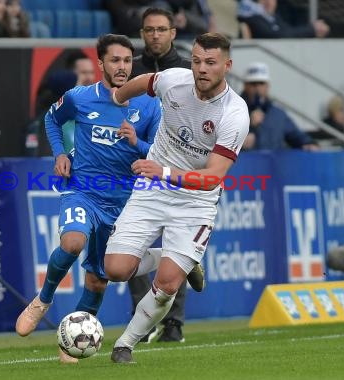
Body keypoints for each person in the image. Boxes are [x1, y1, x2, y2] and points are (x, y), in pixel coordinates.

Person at [15, 34, 163, 363]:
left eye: (127, 61)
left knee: (98, 279)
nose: (122, 67)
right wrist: (59, 154)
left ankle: (74, 339)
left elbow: (159, 152)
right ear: (101, 64)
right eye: (115, 60)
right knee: (72, 243)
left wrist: (137, 143)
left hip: (124, 202)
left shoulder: (149, 105)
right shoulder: (81, 98)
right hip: (83, 190)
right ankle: (43, 300)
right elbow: (52, 119)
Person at [104, 32, 250, 363]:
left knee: (168, 284)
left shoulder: (235, 114)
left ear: (227, 65)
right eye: (197, 60)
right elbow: (146, 82)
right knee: (114, 269)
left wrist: (165, 173)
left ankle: (125, 344)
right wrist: (117, 97)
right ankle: (185, 260)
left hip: (195, 200)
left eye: (210, 63)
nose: (201, 69)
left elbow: (213, 177)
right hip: (154, 189)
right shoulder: (175, 81)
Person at [129, 7, 198, 344]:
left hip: (177, 172)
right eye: (148, 30)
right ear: (142, 34)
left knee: (174, 245)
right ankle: (140, 324)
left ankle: (173, 323)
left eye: (161, 29)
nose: (154, 35)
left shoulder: (189, 71)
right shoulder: (132, 71)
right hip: (137, 169)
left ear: (173, 32)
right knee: (131, 246)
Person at [240, 62, 318, 151]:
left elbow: (296, 136)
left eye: (261, 83)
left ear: (267, 86)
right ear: (245, 86)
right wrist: (250, 126)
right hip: (243, 164)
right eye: (253, 84)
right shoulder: (232, 112)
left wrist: (309, 143)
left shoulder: (278, 114)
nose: (257, 87)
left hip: (272, 164)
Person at [237, 0, 329, 39]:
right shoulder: (252, 18)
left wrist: (311, 30)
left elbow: (288, 31)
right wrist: (311, 30)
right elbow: (278, 35)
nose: (269, 2)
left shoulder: (274, 18)